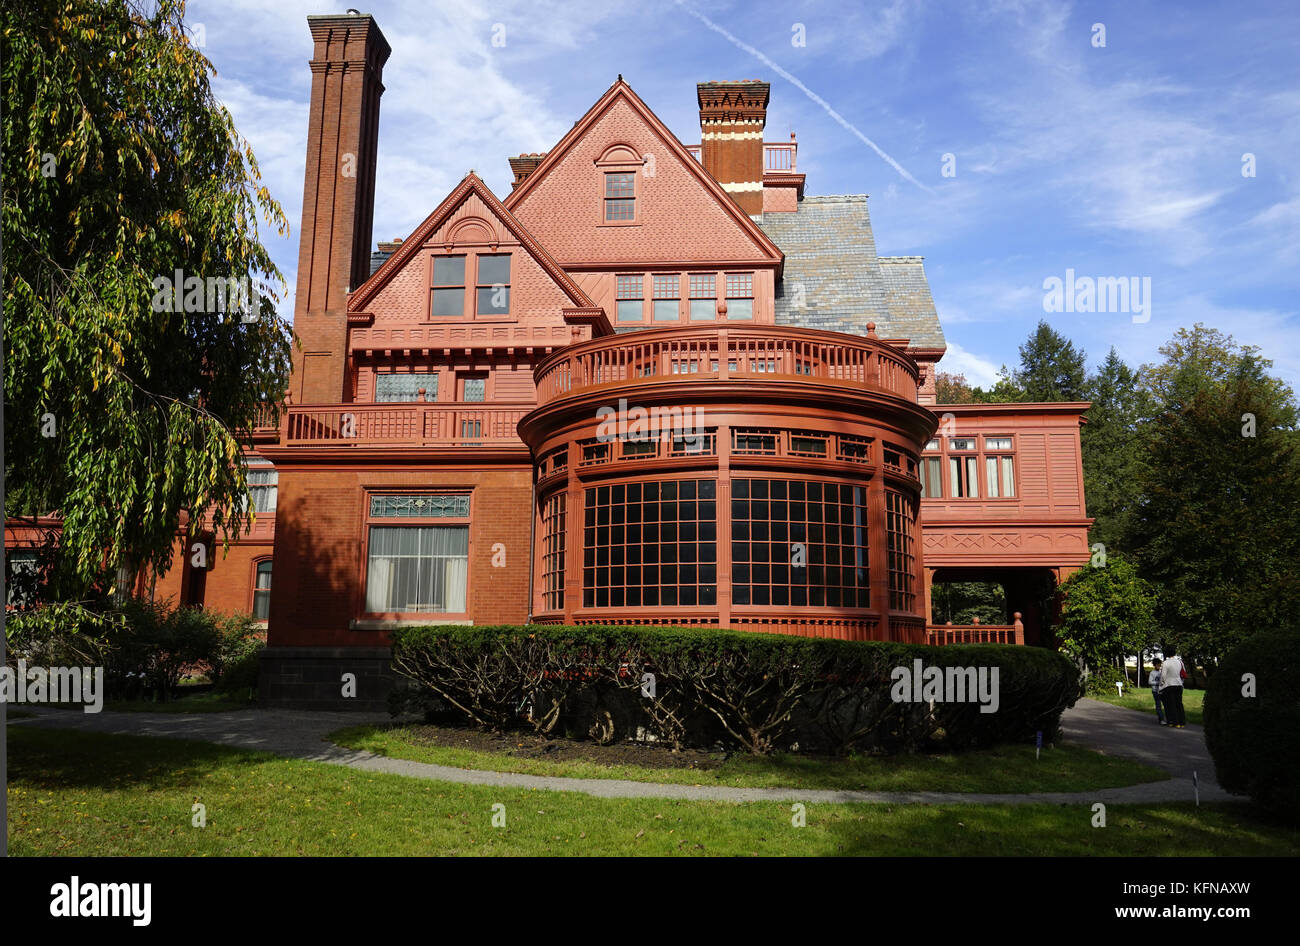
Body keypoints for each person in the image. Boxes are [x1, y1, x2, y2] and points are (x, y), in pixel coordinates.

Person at [1159, 650, 1187, 728]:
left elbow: (1163, 675)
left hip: (1169, 684)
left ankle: (1175, 722)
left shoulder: (1165, 663)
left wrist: (1161, 684)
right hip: (1179, 684)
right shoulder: (1179, 662)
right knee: (1179, 703)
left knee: (1171, 704)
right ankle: (1182, 722)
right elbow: (1183, 672)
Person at [1149, 658, 1166, 725]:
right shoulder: (1152, 673)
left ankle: (1164, 719)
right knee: (1158, 705)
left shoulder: (1161, 672)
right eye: (1157, 665)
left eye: (1160, 665)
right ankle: (1161, 719)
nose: (1159, 667)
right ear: (1154, 665)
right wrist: (1158, 682)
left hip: (1162, 691)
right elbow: (1150, 682)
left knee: (1165, 705)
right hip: (1155, 691)